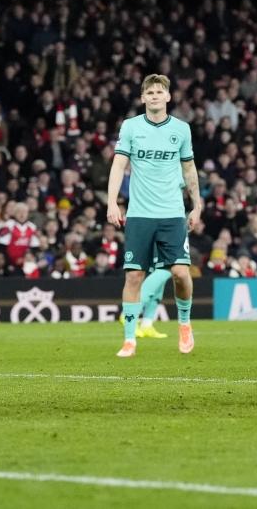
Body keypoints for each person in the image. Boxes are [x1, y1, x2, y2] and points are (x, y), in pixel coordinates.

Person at [107, 74, 202, 358]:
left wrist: (196, 205)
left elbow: (189, 169)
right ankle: (129, 339)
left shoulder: (181, 129)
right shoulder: (131, 127)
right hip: (139, 215)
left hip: (172, 214)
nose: (155, 96)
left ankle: (184, 323)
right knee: (134, 277)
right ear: (143, 98)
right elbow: (118, 165)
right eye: (150, 93)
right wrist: (112, 202)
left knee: (181, 274)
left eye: (160, 92)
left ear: (168, 97)